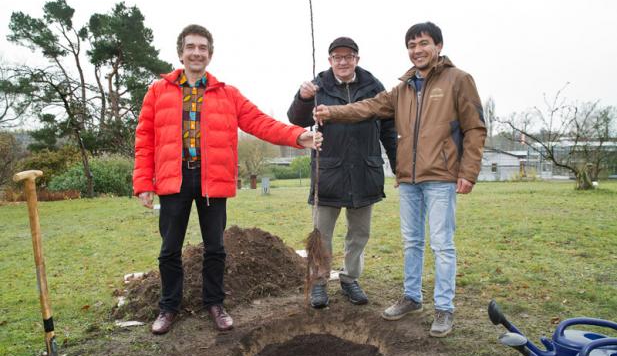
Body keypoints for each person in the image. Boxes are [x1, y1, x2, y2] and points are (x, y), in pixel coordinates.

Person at [133, 24, 322, 335]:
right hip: (173, 179)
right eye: (191, 47)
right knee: (169, 249)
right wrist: (143, 183)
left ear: (210, 54)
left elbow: (259, 122)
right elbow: (144, 139)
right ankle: (168, 308)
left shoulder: (227, 94)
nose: (197, 52)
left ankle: (215, 304)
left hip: (212, 180)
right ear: (181, 52)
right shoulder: (158, 91)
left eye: (203, 48)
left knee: (215, 248)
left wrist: (297, 136)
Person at [314, 22, 486, 337]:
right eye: (411, 45)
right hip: (408, 179)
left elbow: (475, 128)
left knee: (442, 244)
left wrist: (468, 172)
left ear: (438, 46)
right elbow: (366, 107)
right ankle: (411, 297)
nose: (417, 50)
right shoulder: (402, 88)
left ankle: (444, 309)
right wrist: (331, 112)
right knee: (411, 242)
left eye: (423, 43)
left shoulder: (458, 80)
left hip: (441, 177)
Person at [287, 37, 397, 309]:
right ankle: (319, 283)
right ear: (330, 61)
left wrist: (398, 165)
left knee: (359, 233)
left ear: (357, 59)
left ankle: (350, 279)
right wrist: (303, 98)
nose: (343, 61)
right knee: (321, 234)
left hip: (364, 171)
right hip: (329, 173)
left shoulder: (373, 86)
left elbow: (388, 129)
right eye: (337, 57)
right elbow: (296, 119)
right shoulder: (318, 86)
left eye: (348, 56)